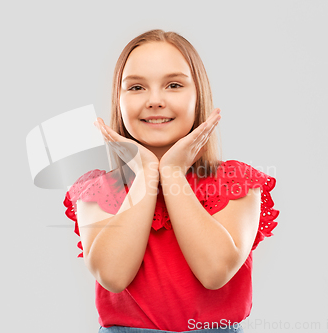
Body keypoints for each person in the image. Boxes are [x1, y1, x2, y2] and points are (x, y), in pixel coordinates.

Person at [63, 29, 280, 333]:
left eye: (174, 85)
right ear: (119, 100)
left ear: (198, 96)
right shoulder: (100, 189)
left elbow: (214, 271)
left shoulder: (235, 182)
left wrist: (173, 173)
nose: (155, 100)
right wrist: (147, 172)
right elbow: (112, 274)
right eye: (136, 87)